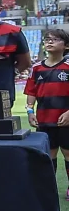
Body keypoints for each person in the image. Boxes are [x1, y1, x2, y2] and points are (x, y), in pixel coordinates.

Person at [24, 28, 69, 196]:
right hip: (44, 119)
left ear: (66, 46)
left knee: (68, 153)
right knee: (48, 155)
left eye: (55, 40)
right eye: (47, 39)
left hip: (66, 120)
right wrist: (30, 111)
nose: (50, 42)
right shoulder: (36, 69)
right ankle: (48, 188)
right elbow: (31, 92)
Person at [0, 0, 31, 105]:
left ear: (0, 10)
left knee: (2, 121)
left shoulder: (13, 32)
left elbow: (25, 61)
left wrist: (10, 74)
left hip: (3, 89)